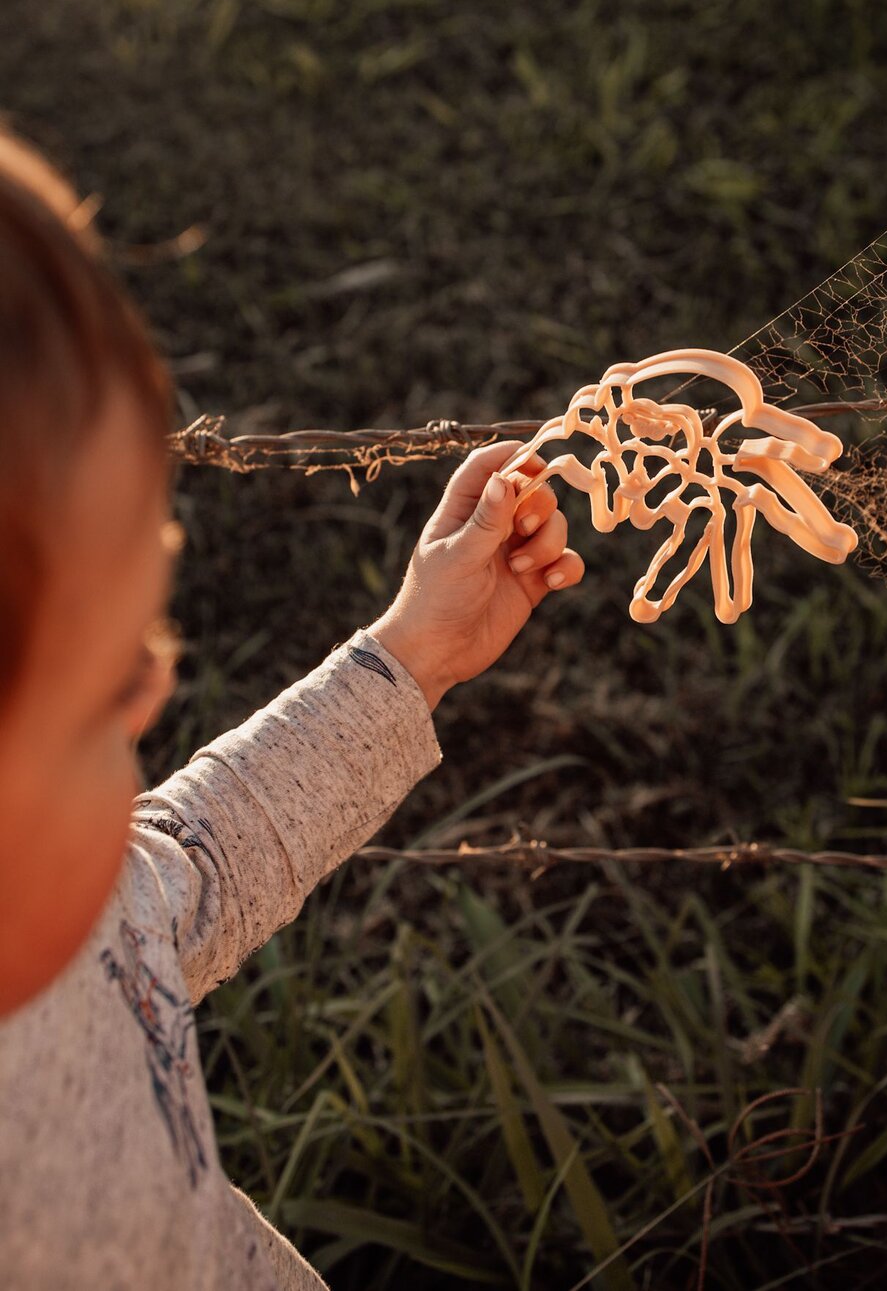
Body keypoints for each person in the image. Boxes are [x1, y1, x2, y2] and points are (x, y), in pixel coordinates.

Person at [0, 126, 585, 1288]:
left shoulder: (55, 900)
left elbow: (178, 884)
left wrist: (412, 655)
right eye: (112, 681)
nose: (159, 686)